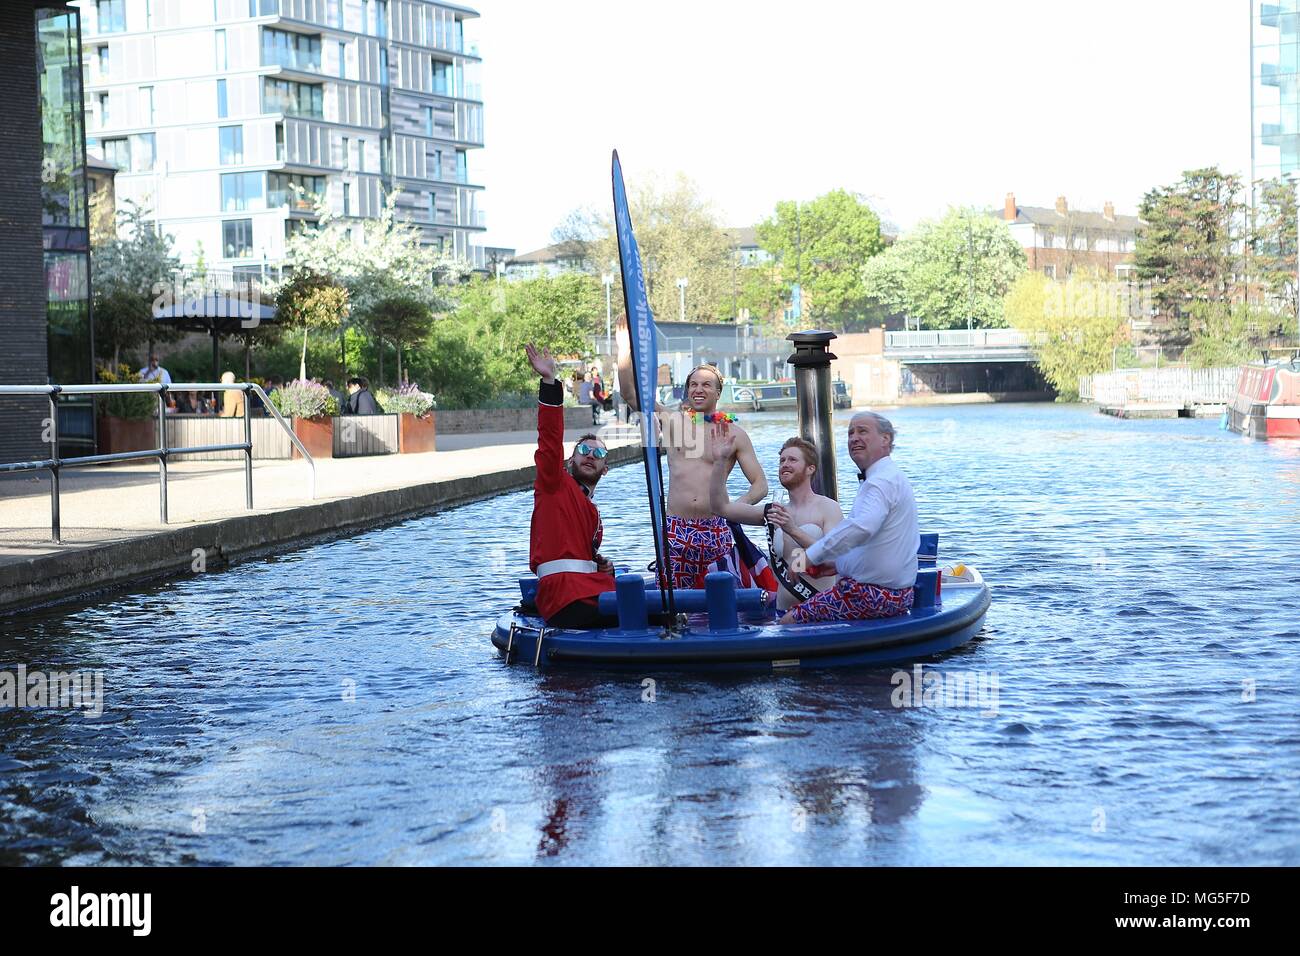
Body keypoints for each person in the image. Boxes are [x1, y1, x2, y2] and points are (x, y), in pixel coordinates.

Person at [617, 317, 768, 589]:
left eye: (706, 385)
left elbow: (761, 484)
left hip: (716, 528)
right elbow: (630, 393)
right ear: (687, 390)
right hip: (677, 527)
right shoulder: (674, 422)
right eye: (694, 385)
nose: (699, 389)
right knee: (675, 601)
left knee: (720, 597)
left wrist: (734, 508)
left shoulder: (734, 433)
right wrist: (623, 348)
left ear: (718, 392)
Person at [782, 412, 918, 625]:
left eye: (862, 431)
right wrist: (839, 565)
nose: (854, 438)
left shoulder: (879, 482)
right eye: (850, 433)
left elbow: (861, 529)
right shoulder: (888, 476)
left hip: (871, 595)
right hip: (896, 595)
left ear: (886, 439)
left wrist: (810, 556)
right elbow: (876, 545)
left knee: (788, 621)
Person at [524, 342, 620, 629]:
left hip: (591, 591)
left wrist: (605, 569)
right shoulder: (554, 484)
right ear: (569, 462)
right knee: (660, 613)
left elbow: (583, 560)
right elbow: (549, 440)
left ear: (605, 469)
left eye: (599, 453)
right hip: (567, 599)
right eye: (584, 450)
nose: (591, 455)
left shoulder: (592, 514)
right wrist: (550, 382)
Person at [708, 428, 843, 611]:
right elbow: (720, 507)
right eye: (782, 460)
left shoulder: (828, 507)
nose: (785, 464)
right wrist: (720, 462)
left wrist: (792, 529)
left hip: (821, 612)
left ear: (810, 469)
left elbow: (836, 557)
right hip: (782, 614)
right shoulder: (773, 512)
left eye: (792, 460)